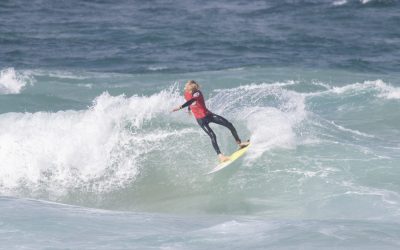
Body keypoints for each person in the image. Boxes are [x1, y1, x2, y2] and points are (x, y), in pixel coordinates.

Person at [172, 80, 249, 163]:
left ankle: (239, 143)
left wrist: (180, 107)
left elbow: (191, 101)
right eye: (188, 88)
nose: (188, 90)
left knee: (229, 124)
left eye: (191, 89)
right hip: (200, 120)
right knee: (212, 135)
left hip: (209, 115)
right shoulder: (186, 93)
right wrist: (189, 109)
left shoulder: (197, 93)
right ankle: (220, 156)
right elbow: (189, 102)